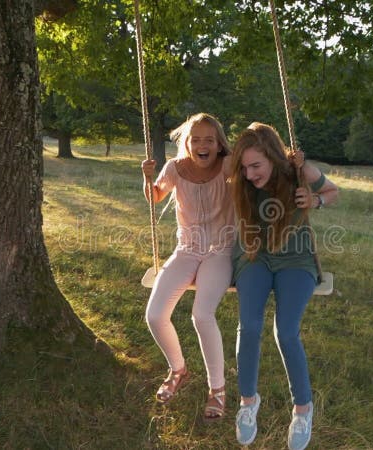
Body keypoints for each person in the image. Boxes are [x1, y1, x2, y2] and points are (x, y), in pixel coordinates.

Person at [229, 122, 339, 450]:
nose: (249, 174)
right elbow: (202, 163)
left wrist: (314, 201)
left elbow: (333, 192)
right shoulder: (240, 178)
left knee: (286, 331)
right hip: (255, 256)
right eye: (244, 167)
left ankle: (303, 409)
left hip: (296, 261)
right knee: (248, 326)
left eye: (256, 166)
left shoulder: (299, 172)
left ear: (274, 157)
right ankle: (248, 402)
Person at [140, 113, 235, 421]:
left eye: (209, 139)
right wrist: (147, 177)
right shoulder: (175, 168)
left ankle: (217, 390)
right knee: (155, 315)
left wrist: (295, 165)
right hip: (186, 250)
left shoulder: (229, 166)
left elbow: (263, 171)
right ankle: (178, 370)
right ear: (187, 143)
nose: (202, 145)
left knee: (201, 315)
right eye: (196, 139)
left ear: (219, 144)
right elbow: (155, 196)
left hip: (220, 251)